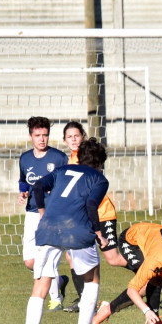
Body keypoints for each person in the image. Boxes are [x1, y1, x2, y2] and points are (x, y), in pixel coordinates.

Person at [12, 138, 109, 324]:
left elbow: (37, 186)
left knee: (41, 284)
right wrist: (99, 233)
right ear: (100, 162)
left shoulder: (62, 170)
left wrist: (42, 214)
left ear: (79, 157)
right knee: (92, 278)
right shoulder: (99, 178)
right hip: (78, 230)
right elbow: (92, 204)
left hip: (49, 228)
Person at [61, 121, 123, 313]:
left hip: (102, 213)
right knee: (71, 256)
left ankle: (149, 273)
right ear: (64, 140)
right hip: (82, 216)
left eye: (76, 136)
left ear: (83, 137)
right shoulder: (68, 161)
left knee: (112, 258)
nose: (73, 139)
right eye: (69, 136)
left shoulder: (89, 158)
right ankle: (84, 301)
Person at [17, 116, 69, 312]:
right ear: (31, 136)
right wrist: (23, 192)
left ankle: (55, 299)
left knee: (46, 255)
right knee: (30, 261)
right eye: (38, 135)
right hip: (31, 213)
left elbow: (67, 182)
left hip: (52, 214)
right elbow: (23, 180)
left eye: (45, 135)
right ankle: (60, 280)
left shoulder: (59, 158)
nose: (42, 139)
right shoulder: (25, 158)